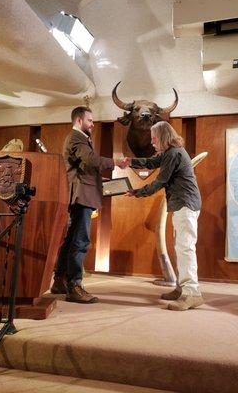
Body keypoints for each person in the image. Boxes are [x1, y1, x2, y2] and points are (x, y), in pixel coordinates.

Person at [124, 121, 203, 311]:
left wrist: (137, 192)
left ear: (162, 137)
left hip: (186, 204)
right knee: (182, 247)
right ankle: (181, 288)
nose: (151, 142)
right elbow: (152, 162)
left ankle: (192, 293)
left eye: (153, 138)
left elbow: (160, 181)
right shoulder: (170, 153)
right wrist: (130, 161)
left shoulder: (174, 153)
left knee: (185, 248)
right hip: (182, 205)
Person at [51, 106, 124, 303]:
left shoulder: (80, 139)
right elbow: (91, 160)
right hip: (81, 196)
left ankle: (59, 280)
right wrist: (116, 162)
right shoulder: (76, 138)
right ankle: (74, 286)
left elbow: (85, 167)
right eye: (90, 120)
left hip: (82, 195)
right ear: (79, 121)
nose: (92, 124)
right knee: (80, 241)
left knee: (71, 239)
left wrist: (104, 181)